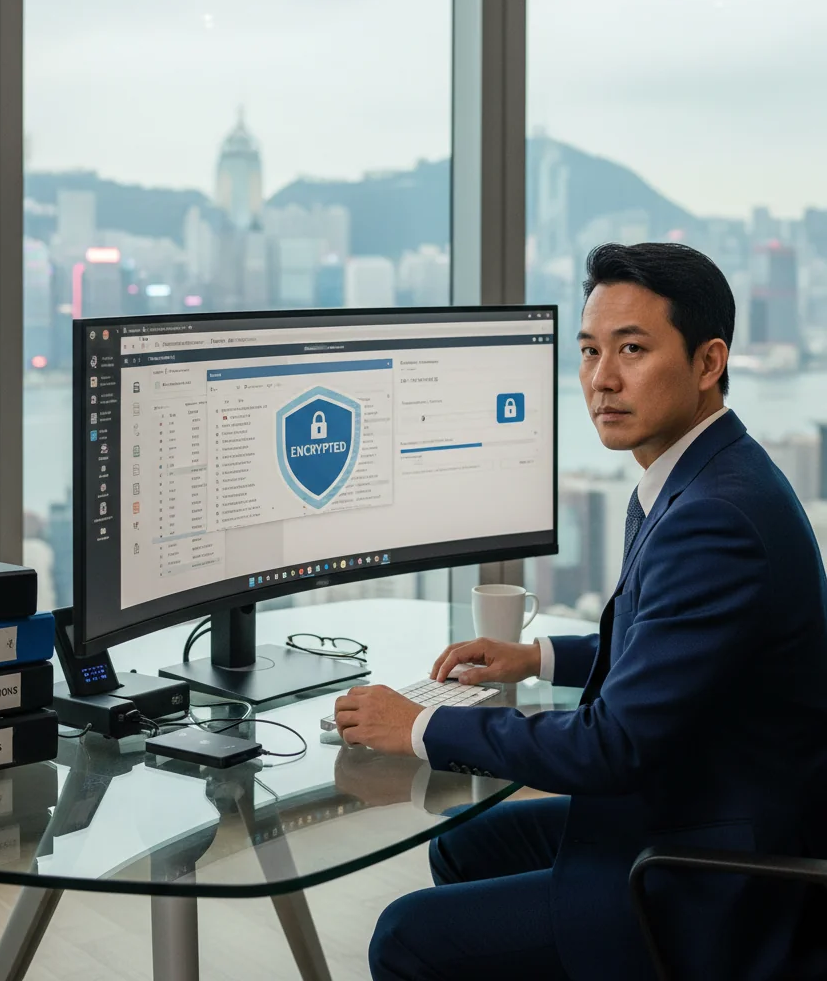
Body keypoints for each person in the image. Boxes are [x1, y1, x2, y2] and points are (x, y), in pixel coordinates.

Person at [334, 242, 827, 980]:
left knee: (405, 936)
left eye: (632, 350)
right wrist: (540, 658)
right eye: (590, 351)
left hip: (717, 873)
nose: (601, 379)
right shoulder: (709, 472)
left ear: (707, 361)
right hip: (700, 803)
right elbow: (683, 653)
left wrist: (421, 726)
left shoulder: (715, 518)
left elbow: (611, 746)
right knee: (460, 846)